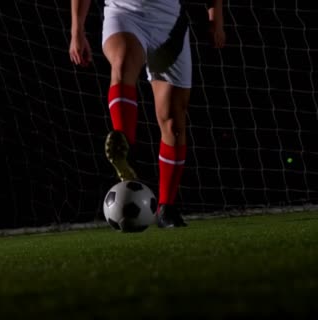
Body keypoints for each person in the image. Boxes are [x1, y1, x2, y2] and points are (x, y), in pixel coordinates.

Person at [70, 0, 225, 228]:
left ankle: (166, 208)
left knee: (174, 123)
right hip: (124, 13)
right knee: (122, 63)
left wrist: (216, 20)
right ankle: (125, 151)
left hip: (169, 23)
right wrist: (77, 30)